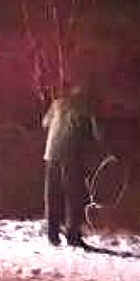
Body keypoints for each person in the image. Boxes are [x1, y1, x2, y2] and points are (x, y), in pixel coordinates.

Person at [42, 85, 101, 247]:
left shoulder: (57, 103)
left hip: (51, 154)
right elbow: (97, 134)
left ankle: (52, 234)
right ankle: (73, 236)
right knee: (74, 197)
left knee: (52, 195)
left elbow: (45, 123)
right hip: (71, 156)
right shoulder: (86, 108)